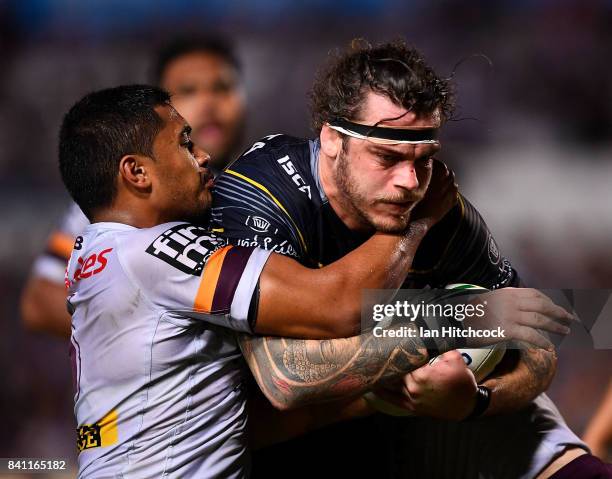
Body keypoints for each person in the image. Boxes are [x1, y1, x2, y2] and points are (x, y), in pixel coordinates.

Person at [60, 85, 563, 478]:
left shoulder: (106, 255)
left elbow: (254, 421)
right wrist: (420, 230)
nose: (204, 155)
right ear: (137, 173)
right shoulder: (156, 252)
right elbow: (333, 305)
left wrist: (386, 396)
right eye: (184, 143)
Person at [211, 39, 609, 478]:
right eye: (386, 157)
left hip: (397, 419)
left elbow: (537, 343)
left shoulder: (439, 201)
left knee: (541, 428)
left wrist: (475, 401)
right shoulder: (261, 193)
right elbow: (283, 379)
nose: (408, 182)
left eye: (423, 160)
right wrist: (448, 315)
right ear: (330, 139)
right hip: (271, 441)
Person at [20, 35, 247, 338]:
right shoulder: (119, 197)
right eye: (188, 91)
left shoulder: (263, 184)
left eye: (222, 88)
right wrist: (157, 334)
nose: (209, 104)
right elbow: (40, 301)